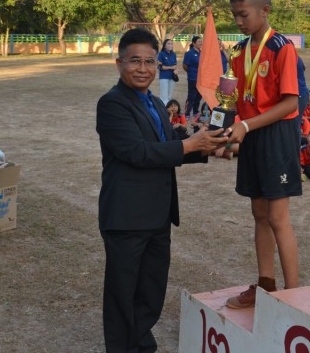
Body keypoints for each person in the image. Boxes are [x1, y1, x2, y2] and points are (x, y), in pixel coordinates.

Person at [96, 28, 227, 352]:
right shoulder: (112, 104)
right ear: (119, 63)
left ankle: (141, 343)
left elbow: (168, 145)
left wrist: (206, 146)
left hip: (157, 214)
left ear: (157, 64)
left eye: (149, 62)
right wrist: (189, 144)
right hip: (127, 216)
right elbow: (137, 152)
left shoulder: (154, 102)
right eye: (135, 61)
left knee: (151, 291)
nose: (142, 68)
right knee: (122, 293)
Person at [223, 0, 302, 309]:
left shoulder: (282, 48)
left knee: (277, 217)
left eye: (243, 15)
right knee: (258, 213)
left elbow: (291, 103)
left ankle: (293, 297)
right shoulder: (238, 51)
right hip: (250, 133)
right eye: (235, 16)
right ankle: (266, 285)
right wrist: (220, 127)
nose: (238, 22)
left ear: (265, 10)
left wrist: (245, 124)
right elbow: (229, 99)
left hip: (276, 135)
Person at [182, 35, 202, 117]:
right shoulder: (189, 53)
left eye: (201, 41)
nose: (201, 43)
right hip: (193, 78)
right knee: (191, 96)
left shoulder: (202, 53)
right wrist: (190, 72)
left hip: (201, 79)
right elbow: (185, 65)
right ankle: (187, 113)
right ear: (194, 43)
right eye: (199, 42)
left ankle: (195, 112)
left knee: (199, 96)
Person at [156, 38, 179, 103]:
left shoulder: (174, 54)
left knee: (169, 96)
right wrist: (171, 67)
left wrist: (176, 69)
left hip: (172, 77)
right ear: (165, 46)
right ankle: (163, 108)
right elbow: (160, 67)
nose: (170, 45)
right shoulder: (161, 54)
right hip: (164, 77)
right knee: (164, 96)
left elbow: (175, 65)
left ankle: (168, 108)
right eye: (168, 44)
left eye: (171, 44)